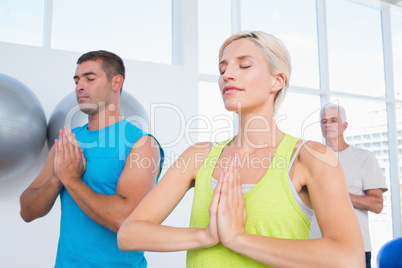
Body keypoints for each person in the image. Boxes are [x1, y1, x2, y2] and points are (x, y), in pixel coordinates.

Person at [117, 31, 365, 267]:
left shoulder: (310, 158)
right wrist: (206, 235)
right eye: (222, 68)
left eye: (243, 65)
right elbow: (129, 234)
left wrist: (237, 238)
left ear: (277, 80)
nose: (227, 75)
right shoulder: (198, 156)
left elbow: (347, 259)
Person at [20, 50, 164, 267]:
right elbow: (27, 210)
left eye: (90, 78)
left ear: (116, 83)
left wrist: (71, 180)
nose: (79, 86)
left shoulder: (142, 144)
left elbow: (124, 221)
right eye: (77, 80)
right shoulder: (69, 140)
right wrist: (56, 179)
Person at [319, 103, 388, 268]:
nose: (328, 125)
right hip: (318, 247)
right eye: (323, 121)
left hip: (355, 248)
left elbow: (377, 204)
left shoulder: (364, 158)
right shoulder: (312, 159)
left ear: (344, 126)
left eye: (333, 120)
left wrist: (339, 195)